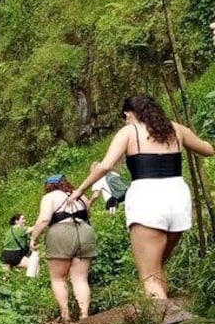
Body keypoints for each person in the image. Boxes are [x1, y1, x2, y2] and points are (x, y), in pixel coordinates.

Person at [69, 94, 213, 299]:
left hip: (148, 199)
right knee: (157, 265)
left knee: (150, 276)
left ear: (129, 113)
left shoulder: (129, 131)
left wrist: (80, 189)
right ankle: (167, 318)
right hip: (178, 198)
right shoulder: (176, 129)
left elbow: (106, 165)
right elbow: (208, 150)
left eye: (125, 116)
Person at [30, 174, 97, 322]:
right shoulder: (81, 197)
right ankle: (84, 315)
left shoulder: (50, 197)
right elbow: (88, 215)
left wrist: (34, 237)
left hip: (60, 233)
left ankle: (65, 316)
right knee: (80, 279)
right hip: (85, 232)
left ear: (49, 186)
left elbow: (45, 219)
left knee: (58, 278)